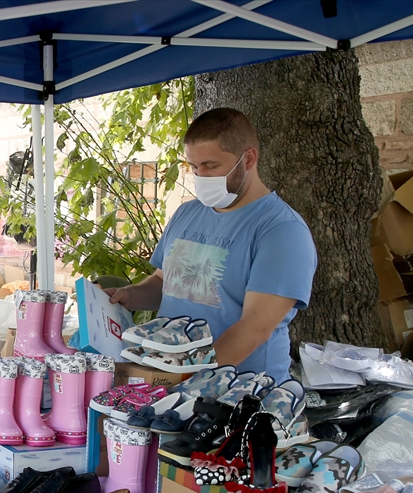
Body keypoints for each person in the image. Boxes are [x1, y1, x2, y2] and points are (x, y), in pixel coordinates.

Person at [106, 107, 317, 381]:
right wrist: (129, 296)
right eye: (194, 166)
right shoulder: (187, 213)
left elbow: (254, 328)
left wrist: (185, 376)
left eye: (211, 166)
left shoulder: (282, 230)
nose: (201, 175)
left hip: (239, 393)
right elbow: (163, 284)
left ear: (249, 159)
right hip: (169, 382)